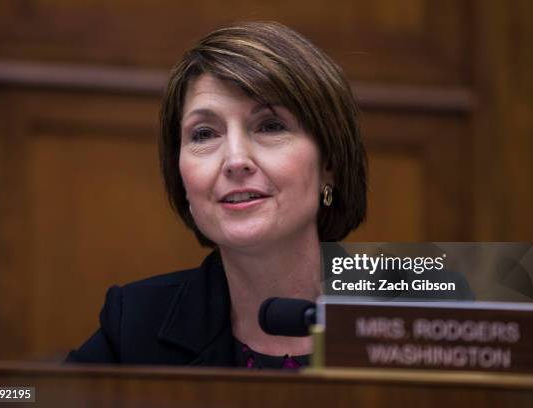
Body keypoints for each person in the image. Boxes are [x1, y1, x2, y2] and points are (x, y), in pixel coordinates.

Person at [66, 21, 367, 368]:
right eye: (205, 134)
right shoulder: (136, 324)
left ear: (328, 162)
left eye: (270, 126)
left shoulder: (419, 315)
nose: (236, 160)